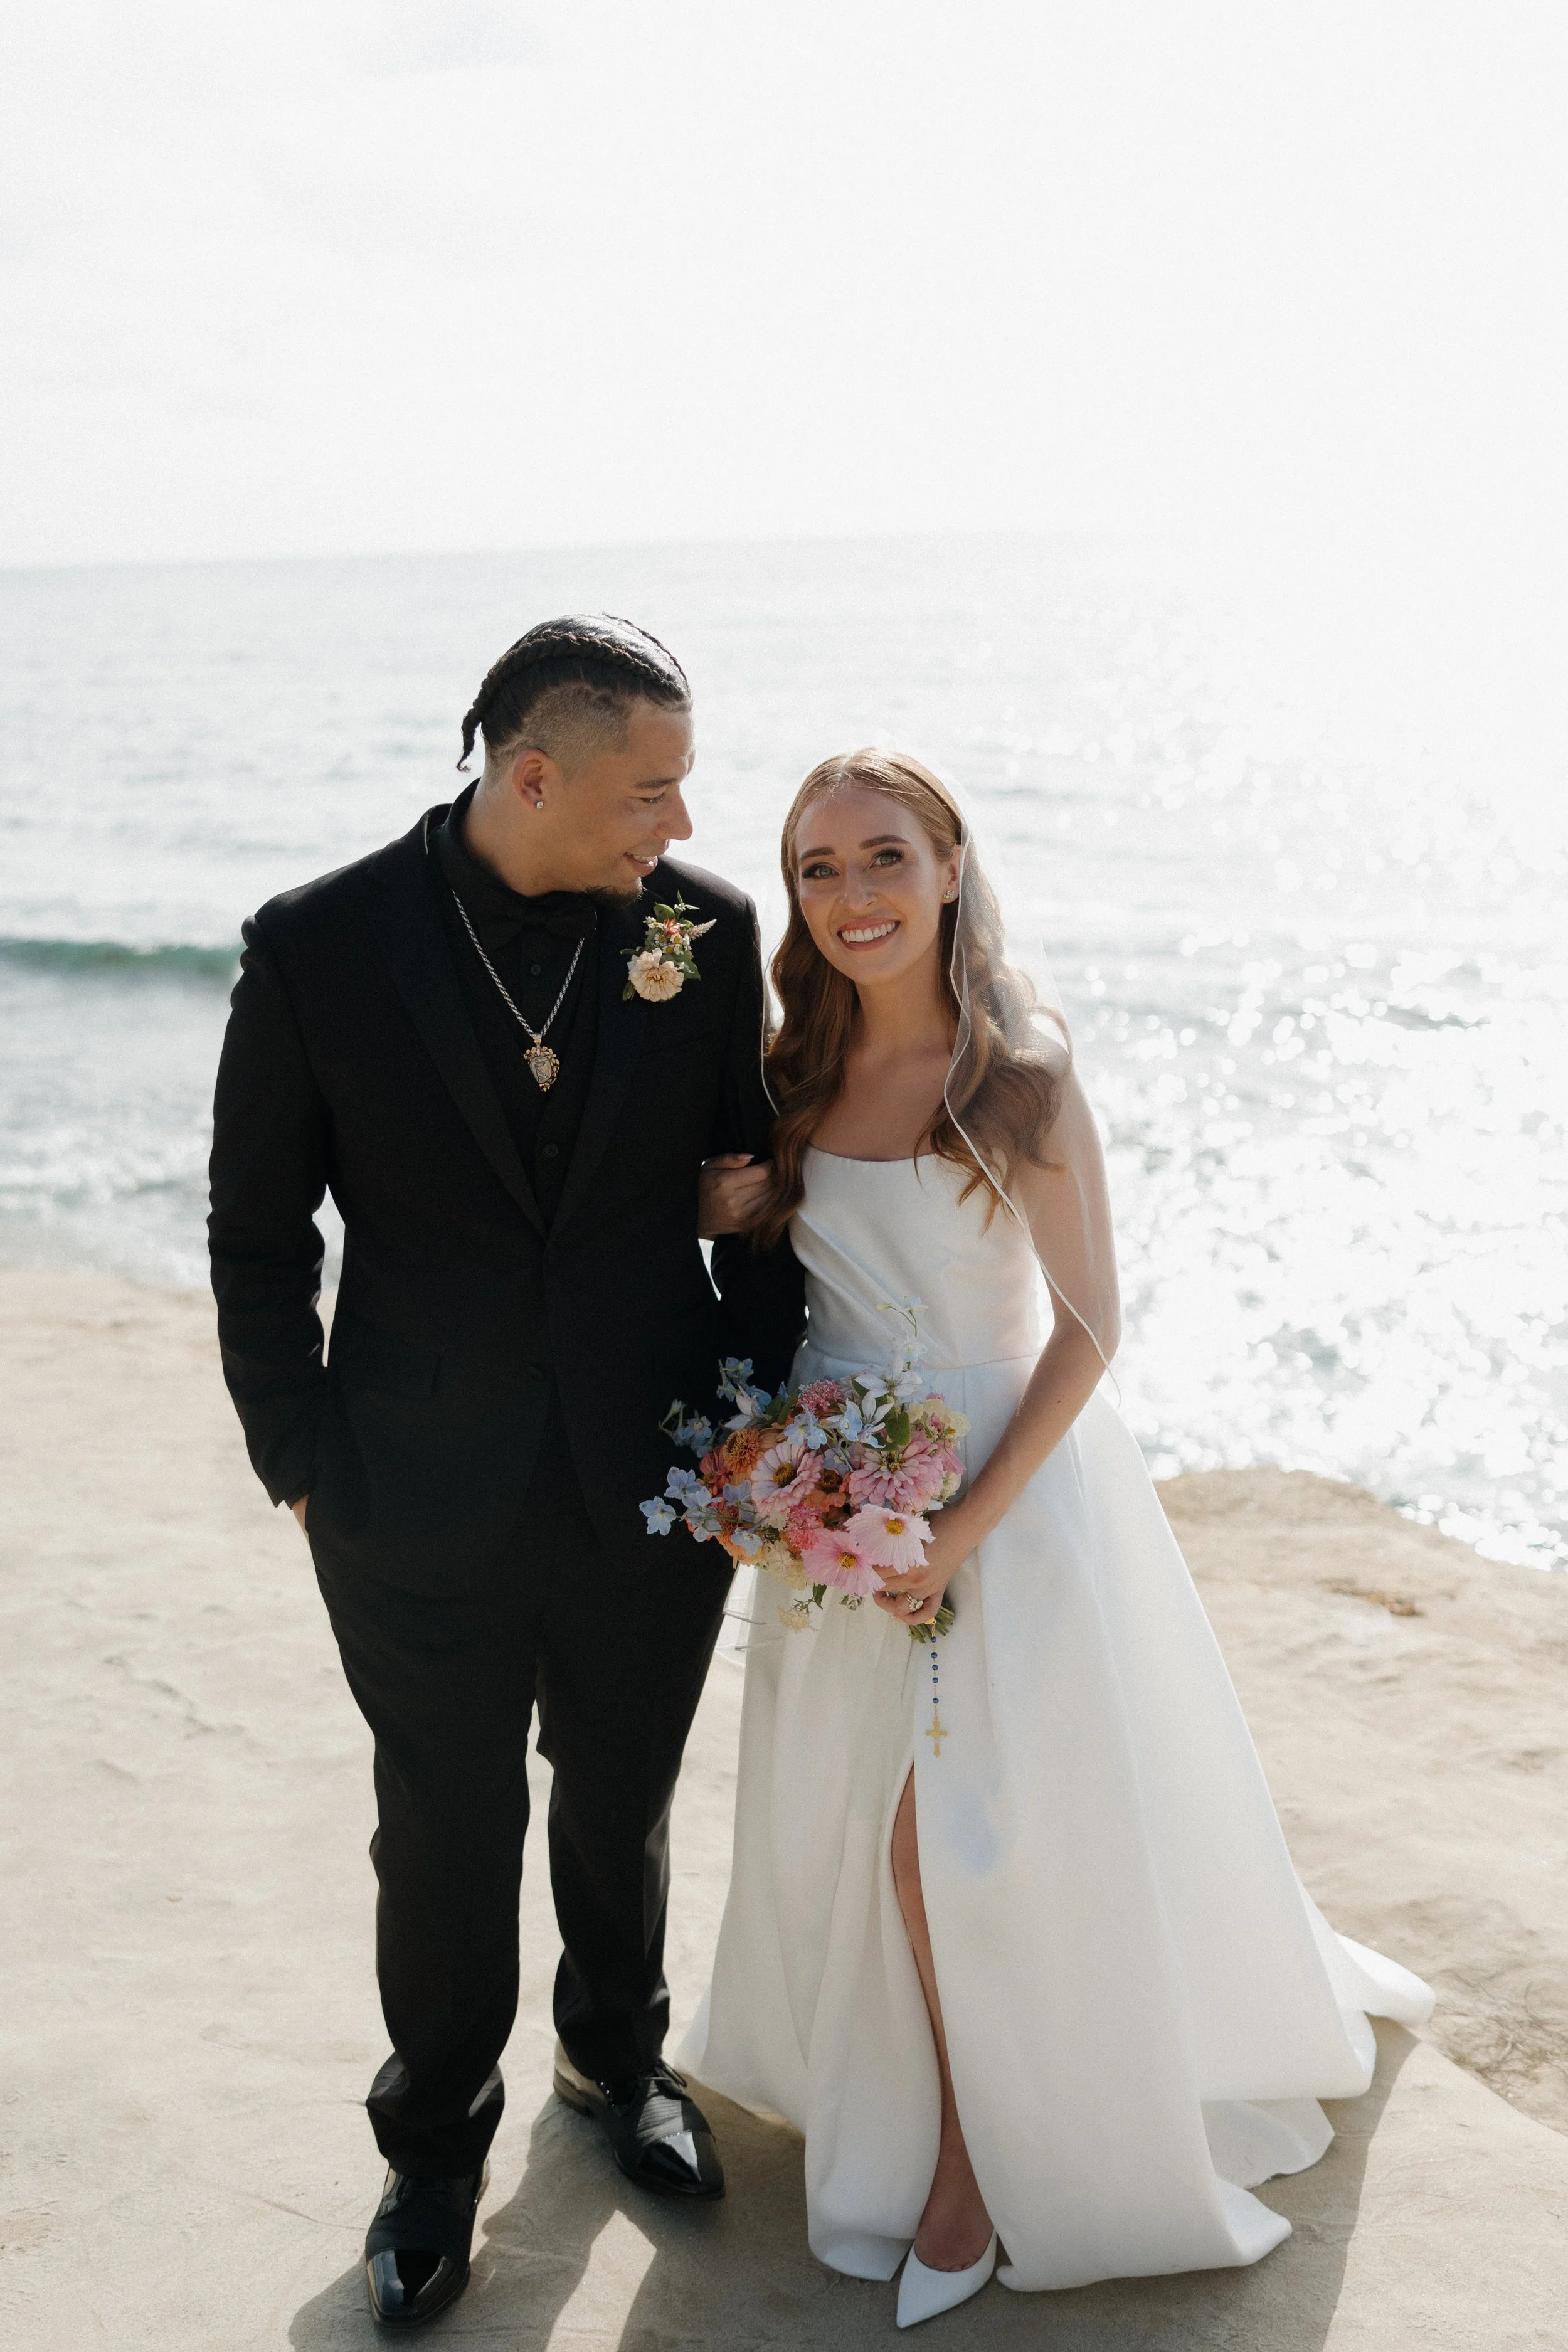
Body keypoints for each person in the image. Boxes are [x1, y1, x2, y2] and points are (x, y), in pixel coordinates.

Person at [681, 747, 1433, 2328]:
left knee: (951, 1847)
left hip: (1000, 1494)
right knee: (849, 1823)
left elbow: (1088, 1327)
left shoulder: (1015, 1071)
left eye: (880, 857)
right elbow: (799, 1254)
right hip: (838, 1492)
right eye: (815, 870)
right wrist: (736, 1223)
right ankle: (893, 2116)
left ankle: (968, 2164)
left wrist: (955, 1528)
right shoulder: (792, 1062)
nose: (849, 897)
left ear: (949, 866)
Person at [208, 614, 802, 2328]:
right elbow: (258, 1232)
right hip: (405, 1487)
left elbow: (755, 1206)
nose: (677, 826)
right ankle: (434, 2137)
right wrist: (299, 1459)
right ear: (530, 773)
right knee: (444, 1822)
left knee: (618, 1801)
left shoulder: (702, 933)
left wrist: (743, 1432)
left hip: (654, 1476)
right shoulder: (318, 944)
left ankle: (619, 2066)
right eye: (651, 787)